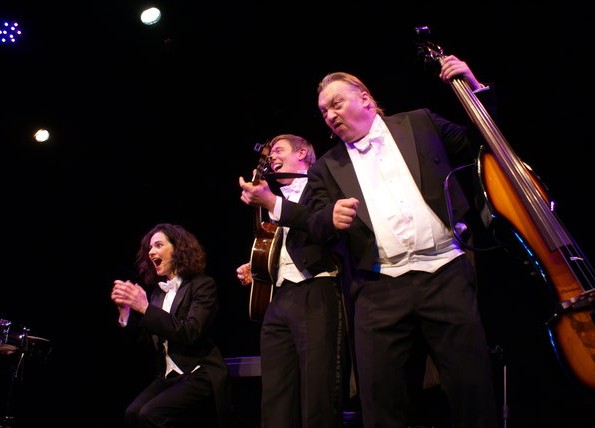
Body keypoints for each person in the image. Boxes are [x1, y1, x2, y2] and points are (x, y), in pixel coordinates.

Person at [286, 57, 500, 428]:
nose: (330, 115)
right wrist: (329, 218)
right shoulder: (326, 166)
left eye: (337, 103)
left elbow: (481, 143)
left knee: (471, 388)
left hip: (445, 272)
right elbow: (312, 225)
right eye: (323, 111)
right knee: (381, 399)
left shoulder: (419, 122)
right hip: (378, 287)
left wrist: (475, 89)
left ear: (366, 99)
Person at [237, 134, 346, 428]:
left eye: (279, 150)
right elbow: (281, 244)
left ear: (302, 154)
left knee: (318, 390)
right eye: (270, 152)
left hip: (316, 289)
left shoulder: (320, 183)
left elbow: (322, 226)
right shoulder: (275, 200)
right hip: (279, 296)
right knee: (275, 392)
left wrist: (272, 203)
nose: (272, 156)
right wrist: (259, 265)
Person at [110, 223, 229, 428]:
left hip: (198, 373)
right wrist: (126, 314)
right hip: (169, 376)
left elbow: (191, 332)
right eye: (149, 248)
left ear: (178, 249)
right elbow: (143, 344)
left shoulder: (202, 285)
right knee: (132, 414)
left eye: (158, 245)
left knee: (152, 414)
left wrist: (145, 309)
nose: (151, 252)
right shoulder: (158, 294)